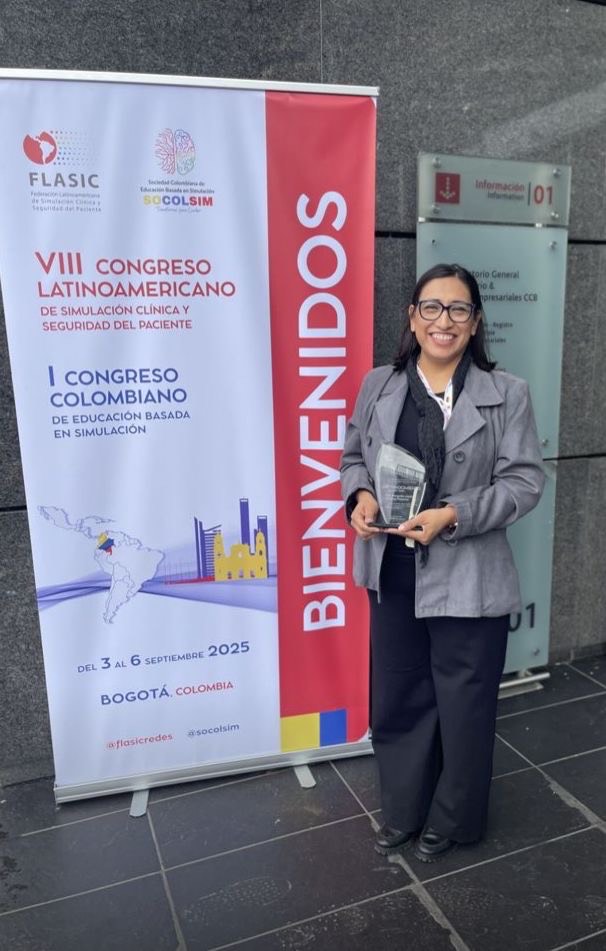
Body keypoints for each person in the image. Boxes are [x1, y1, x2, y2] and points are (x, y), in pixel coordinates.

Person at [340, 262, 545, 862]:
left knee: (464, 703)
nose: (444, 321)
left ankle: (454, 817)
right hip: (393, 568)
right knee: (398, 696)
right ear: (413, 317)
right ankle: (404, 810)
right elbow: (353, 457)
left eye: (459, 309)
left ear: (475, 321)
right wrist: (360, 496)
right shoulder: (378, 385)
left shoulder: (507, 393)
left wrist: (454, 513)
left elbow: (524, 483)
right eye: (431, 307)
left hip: (469, 572)